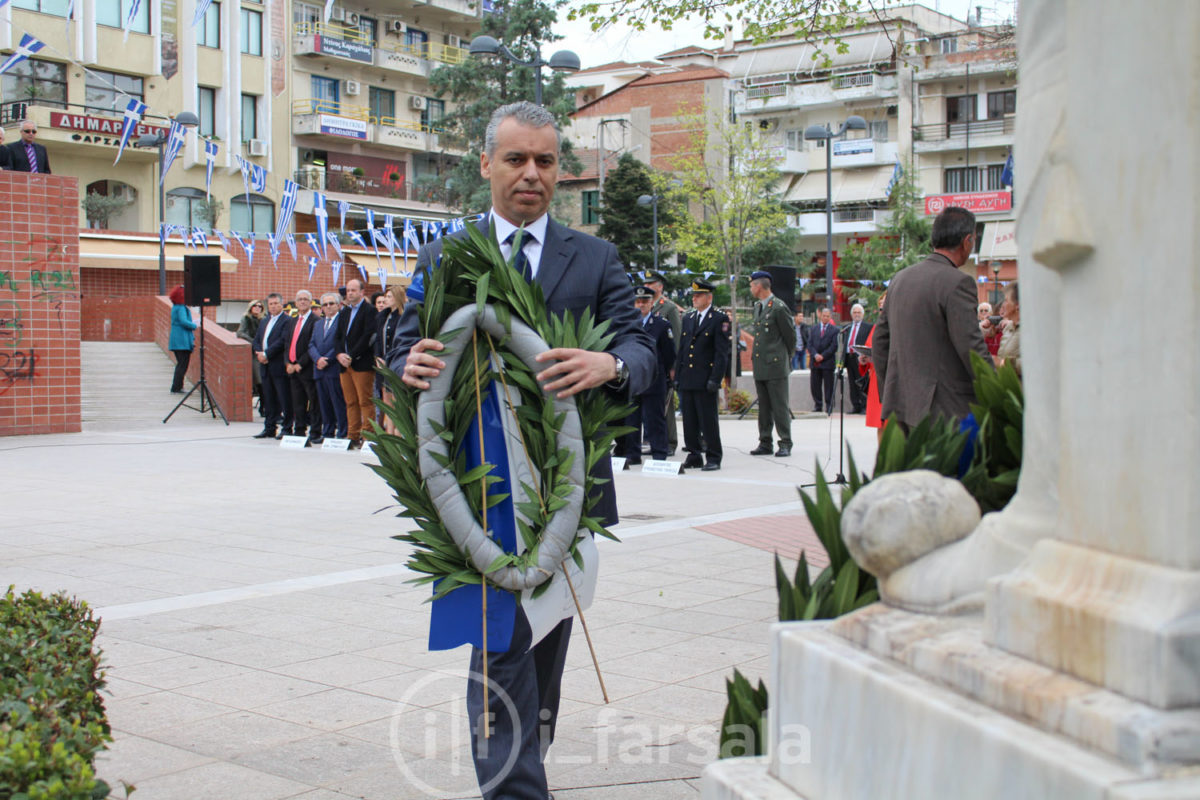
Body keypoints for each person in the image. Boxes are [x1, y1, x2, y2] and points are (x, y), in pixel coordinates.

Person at [389, 101, 654, 800]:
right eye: (516, 159)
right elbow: (401, 343)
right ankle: (514, 790)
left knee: (541, 665)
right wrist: (406, 361)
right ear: (486, 164)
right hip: (477, 502)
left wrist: (611, 366)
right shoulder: (446, 254)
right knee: (500, 655)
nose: (531, 174)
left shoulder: (593, 258)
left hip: (568, 500)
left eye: (545, 161)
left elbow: (643, 348)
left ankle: (521, 764)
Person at [874, 206, 994, 430]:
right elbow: (972, 349)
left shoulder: (900, 279)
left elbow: (880, 343)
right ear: (967, 241)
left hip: (901, 407)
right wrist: (997, 389)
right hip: (945, 412)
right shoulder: (958, 282)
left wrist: (890, 391)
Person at [615, 285, 675, 463]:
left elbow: (669, 353)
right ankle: (632, 455)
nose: (641, 305)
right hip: (632, 379)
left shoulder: (661, 325)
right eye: (638, 301)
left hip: (654, 380)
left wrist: (666, 375)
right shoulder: (626, 325)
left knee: (654, 419)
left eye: (645, 301)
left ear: (651, 303)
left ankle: (659, 453)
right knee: (631, 420)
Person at [675, 279, 730, 471]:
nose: (695, 299)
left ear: (709, 297)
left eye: (698, 295)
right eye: (693, 296)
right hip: (688, 377)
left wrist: (716, 378)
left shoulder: (718, 319)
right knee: (689, 419)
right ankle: (694, 454)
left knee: (708, 420)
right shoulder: (688, 318)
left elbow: (721, 353)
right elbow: (683, 349)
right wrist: (678, 376)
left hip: (706, 377)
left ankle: (714, 456)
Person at [747, 271, 795, 457]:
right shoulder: (759, 307)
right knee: (764, 407)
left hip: (775, 365)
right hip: (761, 365)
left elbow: (790, 337)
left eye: (752, 285)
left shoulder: (778, 307)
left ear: (759, 286)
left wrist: (784, 358)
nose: (751, 289)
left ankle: (785, 441)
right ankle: (765, 441)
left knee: (779, 406)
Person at [333, 277, 377, 449]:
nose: (350, 293)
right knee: (350, 401)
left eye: (353, 290)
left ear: (361, 292)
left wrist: (351, 355)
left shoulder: (369, 311)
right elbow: (338, 337)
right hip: (344, 365)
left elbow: (368, 336)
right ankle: (353, 435)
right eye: (348, 291)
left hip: (361, 363)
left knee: (365, 401)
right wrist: (339, 354)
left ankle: (368, 435)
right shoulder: (343, 313)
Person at [646, 271, 682, 455]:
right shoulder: (645, 305)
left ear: (660, 286)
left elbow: (676, 338)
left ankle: (670, 442)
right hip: (648, 365)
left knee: (666, 405)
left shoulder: (669, 308)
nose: (648, 287)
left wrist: (674, 366)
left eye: (651, 284)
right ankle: (654, 441)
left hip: (664, 364)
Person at [251, 293, 294, 439]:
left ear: (282, 304)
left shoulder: (287, 321)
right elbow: (257, 339)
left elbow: (283, 341)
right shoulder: (264, 321)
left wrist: (267, 354)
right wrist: (259, 353)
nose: (273, 306)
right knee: (268, 398)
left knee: (283, 398)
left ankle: (287, 428)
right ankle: (269, 428)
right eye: (271, 304)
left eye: (276, 303)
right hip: (264, 365)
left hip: (278, 365)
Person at [285, 290, 322, 445]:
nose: (302, 302)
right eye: (299, 299)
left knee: (313, 402)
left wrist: (301, 363)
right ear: (295, 302)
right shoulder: (292, 321)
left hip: (307, 368)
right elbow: (287, 343)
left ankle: (315, 431)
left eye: (306, 299)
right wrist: (288, 363)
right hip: (292, 368)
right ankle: (299, 430)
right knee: (298, 402)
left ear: (310, 302)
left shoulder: (315, 321)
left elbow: (312, 345)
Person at [309, 292, 347, 440]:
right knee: (324, 404)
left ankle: (342, 432)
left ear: (338, 305)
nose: (328, 307)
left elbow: (340, 343)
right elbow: (311, 344)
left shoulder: (342, 321)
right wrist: (317, 359)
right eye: (325, 304)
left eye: (331, 303)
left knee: (338, 403)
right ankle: (327, 433)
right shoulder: (318, 323)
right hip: (319, 369)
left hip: (334, 368)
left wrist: (328, 359)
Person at [373, 285, 405, 429]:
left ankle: (398, 432)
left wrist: (389, 358)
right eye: (386, 297)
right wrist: (378, 357)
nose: (386, 300)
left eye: (389, 297)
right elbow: (378, 339)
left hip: (396, 362)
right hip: (383, 362)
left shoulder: (402, 316)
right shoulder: (383, 316)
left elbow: (400, 340)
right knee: (386, 399)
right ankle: (389, 431)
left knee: (397, 399)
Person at [861, 292, 887, 442]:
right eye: (881, 305)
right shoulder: (877, 326)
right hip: (876, 378)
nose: (882, 308)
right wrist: (864, 359)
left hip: (891, 377)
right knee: (880, 423)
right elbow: (869, 346)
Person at [841, 303, 873, 414]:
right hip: (849, 358)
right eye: (854, 312)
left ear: (862, 314)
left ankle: (864, 405)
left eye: (859, 312)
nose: (856, 315)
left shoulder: (867, 327)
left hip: (860, 358)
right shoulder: (848, 327)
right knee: (852, 382)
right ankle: (856, 405)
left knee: (861, 381)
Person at [807, 307, 839, 413]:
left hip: (827, 362)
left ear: (830, 317)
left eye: (828, 316)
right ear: (820, 316)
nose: (825, 318)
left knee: (828, 386)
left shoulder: (834, 330)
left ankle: (829, 406)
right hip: (815, 362)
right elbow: (809, 344)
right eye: (824, 316)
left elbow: (834, 346)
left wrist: (823, 356)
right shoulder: (813, 329)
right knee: (815, 385)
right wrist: (815, 354)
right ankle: (818, 405)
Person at [167, 285, 197, 394]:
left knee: (181, 364)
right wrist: (195, 325)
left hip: (177, 340)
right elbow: (184, 321)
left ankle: (178, 386)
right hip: (182, 340)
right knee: (182, 364)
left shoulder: (176, 307)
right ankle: (176, 387)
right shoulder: (181, 308)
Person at [237, 300, 265, 406]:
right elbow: (240, 333)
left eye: (260, 306)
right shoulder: (247, 318)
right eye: (255, 306)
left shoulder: (264, 319)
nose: (257, 308)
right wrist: (254, 342)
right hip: (254, 353)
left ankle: (264, 406)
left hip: (265, 351)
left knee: (266, 381)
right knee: (259, 380)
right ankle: (263, 406)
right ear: (250, 307)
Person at [996, 281, 1021, 377]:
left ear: (1017, 305)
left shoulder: (1028, 331)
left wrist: (1006, 363)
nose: (1003, 305)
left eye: (1006, 300)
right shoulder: (1008, 328)